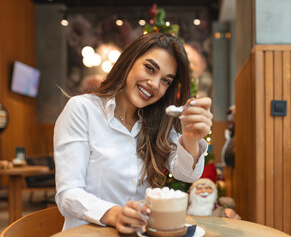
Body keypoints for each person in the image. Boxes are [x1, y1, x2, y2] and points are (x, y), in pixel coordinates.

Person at [54, 33, 213, 234]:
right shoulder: (82, 109)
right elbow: (68, 194)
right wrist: (115, 214)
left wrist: (191, 138)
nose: (154, 84)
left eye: (165, 80)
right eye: (149, 68)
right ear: (129, 61)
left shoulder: (159, 120)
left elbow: (186, 174)